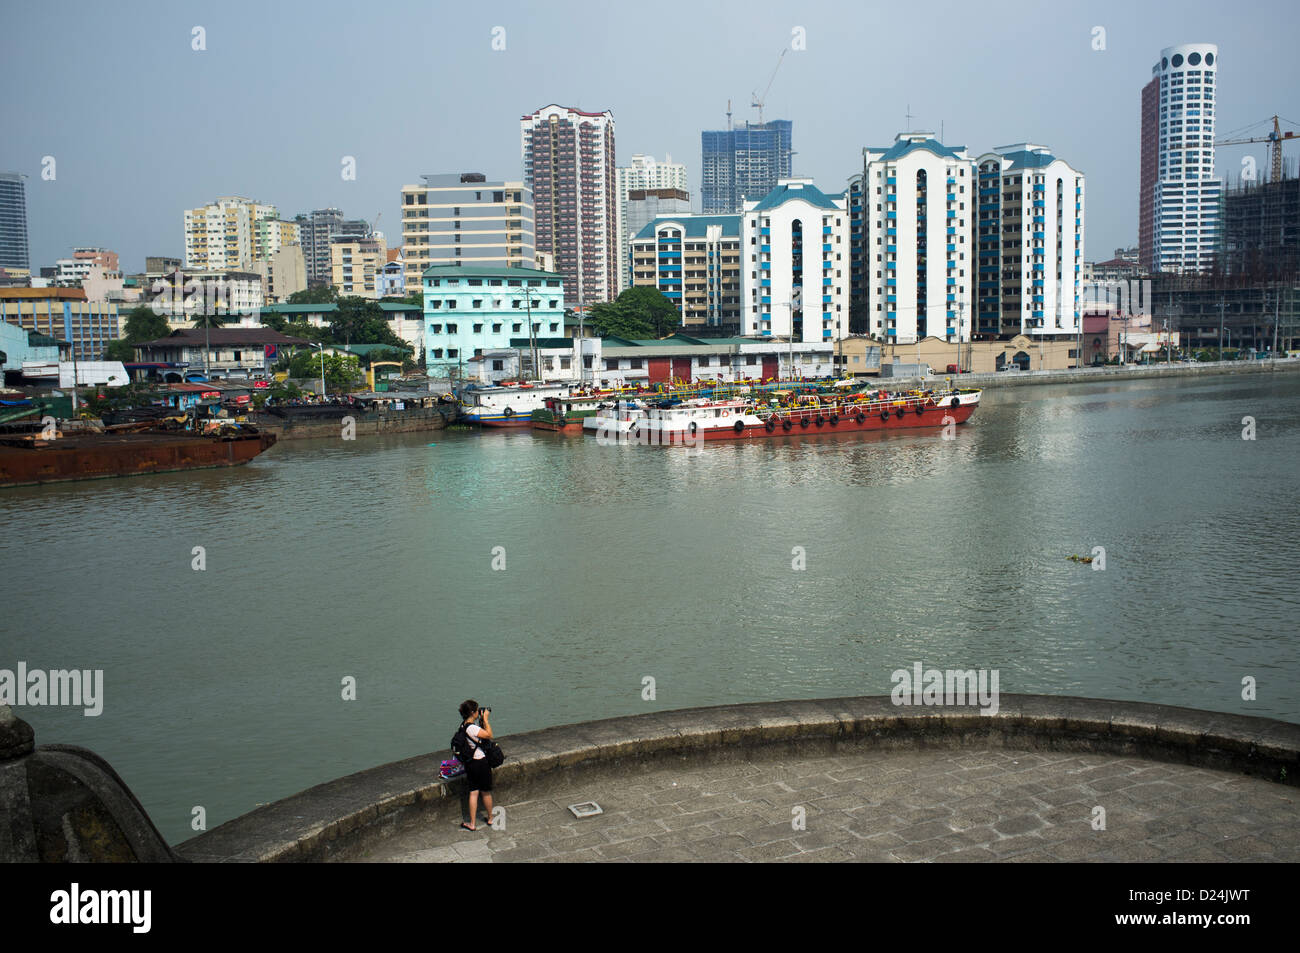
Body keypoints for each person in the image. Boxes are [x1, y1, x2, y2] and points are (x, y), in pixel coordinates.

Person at [458, 699, 494, 831]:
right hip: (480, 762)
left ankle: (472, 824)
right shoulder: (472, 728)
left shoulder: (463, 726)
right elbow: (489, 735)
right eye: (477, 710)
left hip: (470, 763)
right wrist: (486, 719)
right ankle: (490, 818)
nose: (479, 712)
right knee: (485, 792)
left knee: (473, 792)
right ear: (473, 712)